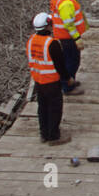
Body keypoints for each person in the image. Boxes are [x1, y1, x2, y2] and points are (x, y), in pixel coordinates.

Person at [27, 13, 71, 145]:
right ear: (47, 26)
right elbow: (60, 65)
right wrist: (67, 78)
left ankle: (44, 133)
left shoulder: (30, 41)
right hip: (51, 82)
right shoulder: (52, 44)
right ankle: (53, 136)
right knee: (55, 108)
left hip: (38, 81)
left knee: (43, 107)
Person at [50, 0, 87, 95]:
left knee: (68, 60)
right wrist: (77, 38)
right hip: (68, 37)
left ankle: (69, 81)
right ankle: (68, 87)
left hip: (62, 36)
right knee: (72, 61)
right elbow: (69, 24)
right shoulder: (66, 2)